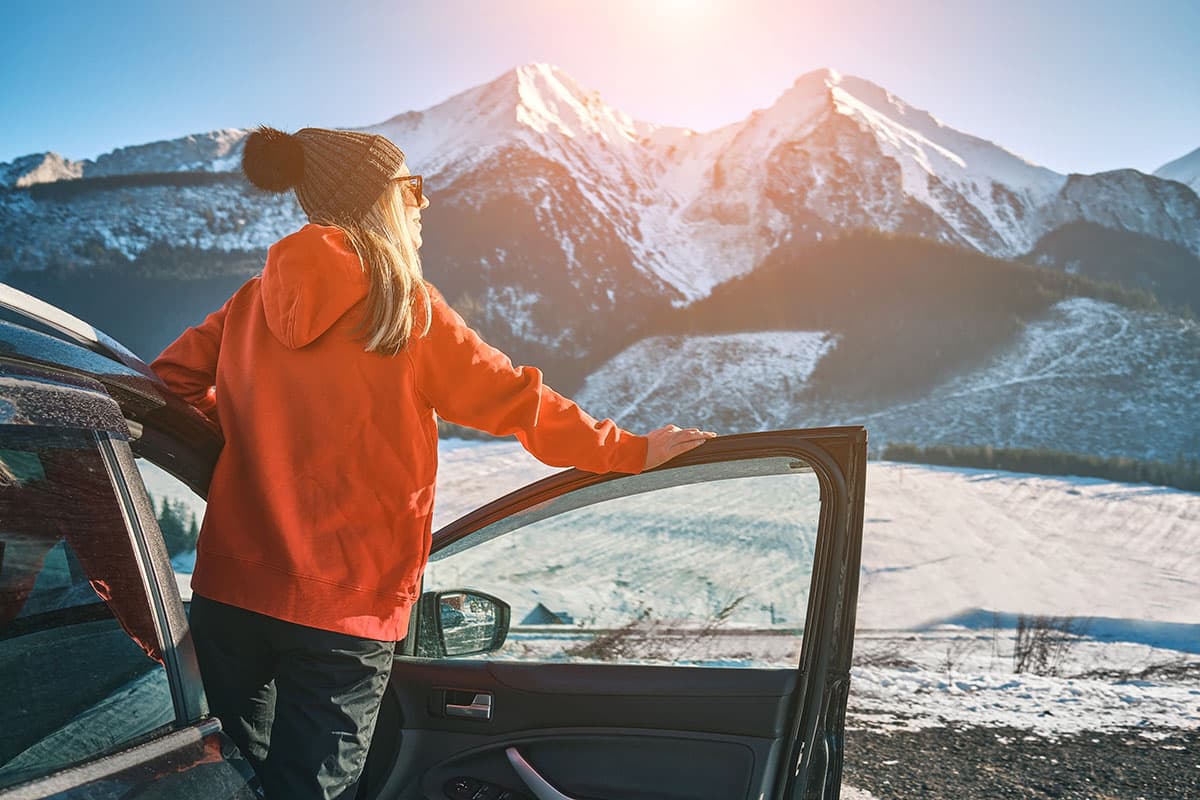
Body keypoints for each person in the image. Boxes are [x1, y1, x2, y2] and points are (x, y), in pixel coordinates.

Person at [150, 125, 715, 800]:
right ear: (376, 198)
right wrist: (631, 450)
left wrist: (253, 440)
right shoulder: (404, 308)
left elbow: (167, 385)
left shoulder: (249, 301)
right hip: (344, 614)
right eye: (411, 187)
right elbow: (519, 403)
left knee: (233, 781)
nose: (424, 203)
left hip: (230, 598)